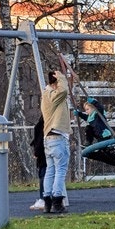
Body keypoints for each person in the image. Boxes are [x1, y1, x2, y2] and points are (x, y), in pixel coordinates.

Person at [40, 68, 73, 214]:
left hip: (48, 138)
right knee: (60, 170)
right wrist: (62, 78)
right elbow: (64, 91)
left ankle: (47, 200)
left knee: (50, 171)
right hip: (58, 136)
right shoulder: (53, 95)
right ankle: (57, 200)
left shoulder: (45, 95)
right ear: (55, 84)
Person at [29, 115, 48, 212]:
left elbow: (40, 138)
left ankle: (43, 198)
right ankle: (48, 198)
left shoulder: (42, 124)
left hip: (43, 154)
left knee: (43, 175)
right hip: (46, 151)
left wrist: (36, 152)